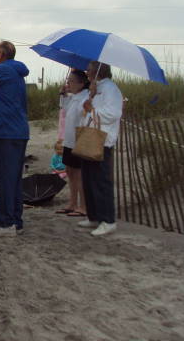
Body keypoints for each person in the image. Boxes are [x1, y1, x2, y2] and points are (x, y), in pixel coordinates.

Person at [0, 41, 29, 236]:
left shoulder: (2, 71)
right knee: (13, 179)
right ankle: (16, 220)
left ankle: (6, 223)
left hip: (6, 131)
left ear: (1, 54)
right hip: (18, 131)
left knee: (4, 178)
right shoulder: (16, 72)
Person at [77, 62, 123, 236]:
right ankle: (94, 216)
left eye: (89, 69)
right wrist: (92, 95)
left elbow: (113, 113)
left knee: (100, 181)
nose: (86, 71)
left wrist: (93, 110)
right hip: (90, 136)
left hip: (102, 139)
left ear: (98, 71)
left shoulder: (111, 89)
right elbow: (86, 108)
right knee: (89, 180)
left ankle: (108, 220)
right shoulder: (96, 88)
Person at [57, 69, 90, 216]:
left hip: (80, 139)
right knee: (70, 171)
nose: (68, 83)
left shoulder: (85, 98)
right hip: (69, 140)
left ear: (81, 84)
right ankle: (72, 202)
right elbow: (65, 108)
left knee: (79, 173)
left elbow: (85, 116)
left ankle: (83, 206)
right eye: (68, 80)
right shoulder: (74, 97)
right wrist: (63, 94)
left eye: (71, 81)